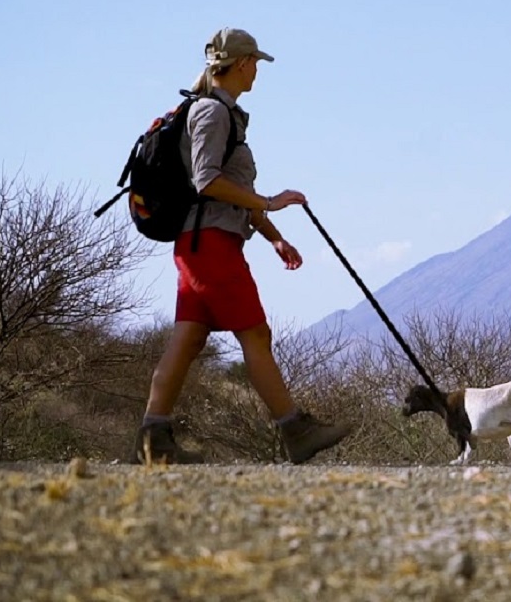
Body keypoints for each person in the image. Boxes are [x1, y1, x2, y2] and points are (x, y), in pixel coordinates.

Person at [132, 27, 352, 465]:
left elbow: (225, 188)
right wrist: (269, 202)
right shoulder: (213, 114)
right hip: (210, 246)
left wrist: (273, 236)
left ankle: (153, 441)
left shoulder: (220, 112)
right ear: (241, 63)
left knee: (189, 339)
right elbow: (208, 181)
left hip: (199, 243)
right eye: (255, 62)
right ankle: (296, 430)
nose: (258, 71)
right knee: (255, 332)